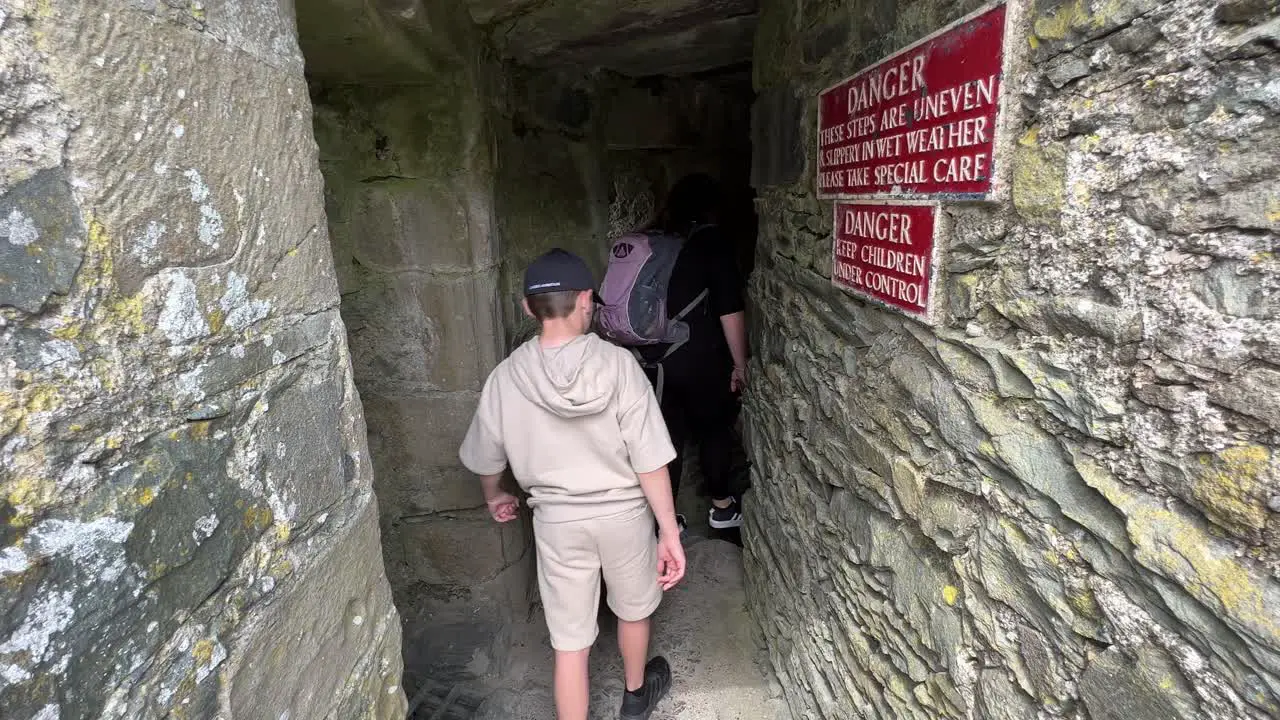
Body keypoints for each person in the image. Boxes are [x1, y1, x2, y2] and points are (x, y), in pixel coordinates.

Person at [459, 248, 686, 720]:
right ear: (586, 299)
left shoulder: (506, 377)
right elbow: (649, 460)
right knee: (633, 608)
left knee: (569, 642)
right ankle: (635, 696)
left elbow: (485, 455)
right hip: (623, 515)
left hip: (558, 522)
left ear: (527, 307)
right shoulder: (620, 366)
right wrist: (668, 531)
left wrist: (494, 494)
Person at [638, 173, 750, 530]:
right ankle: (721, 507)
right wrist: (740, 363)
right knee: (714, 427)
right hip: (698, 358)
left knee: (663, 437)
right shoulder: (711, 242)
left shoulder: (652, 241)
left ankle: (664, 523)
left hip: (651, 358)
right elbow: (729, 308)